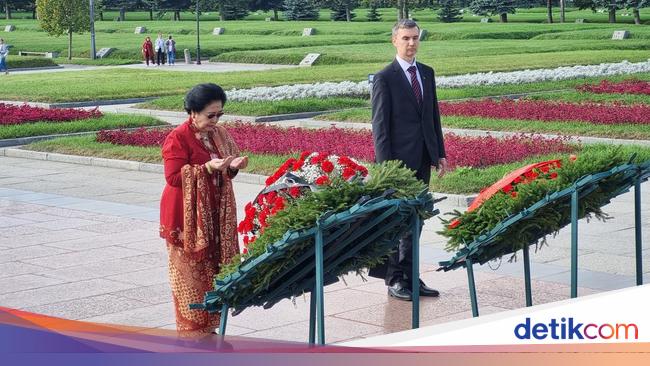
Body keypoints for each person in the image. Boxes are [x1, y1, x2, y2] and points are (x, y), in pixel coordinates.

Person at [160, 83, 248, 337]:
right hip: (185, 218)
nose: (216, 120)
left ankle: (210, 328)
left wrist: (233, 165)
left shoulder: (218, 134)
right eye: (211, 115)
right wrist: (207, 168)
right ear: (193, 112)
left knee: (212, 271)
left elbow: (226, 165)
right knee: (190, 277)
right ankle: (191, 332)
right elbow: (174, 177)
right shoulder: (178, 137)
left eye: (219, 115)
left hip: (213, 214)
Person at [369, 19, 448, 302]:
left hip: (423, 158)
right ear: (394, 41)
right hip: (397, 164)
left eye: (415, 38)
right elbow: (380, 127)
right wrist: (385, 168)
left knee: (416, 220)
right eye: (406, 38)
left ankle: (410, 275)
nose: (412, 43)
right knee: (397, 222)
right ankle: (395, 279)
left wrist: (439, 151)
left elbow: (433, 116)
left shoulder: (426, 73)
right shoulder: (384, 78)